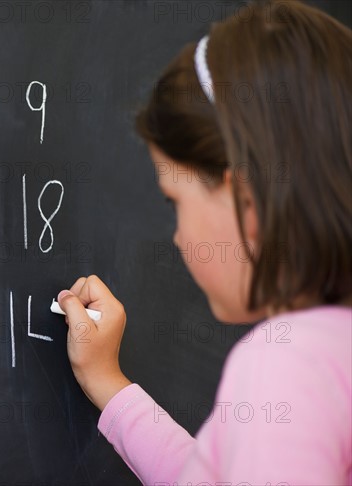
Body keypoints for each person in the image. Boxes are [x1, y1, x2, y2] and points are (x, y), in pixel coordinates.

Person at [57, 1, 352, 483]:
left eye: (175, 200)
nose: (175, 234)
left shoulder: (282, 369)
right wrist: (108, 383)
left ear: (246, 204)